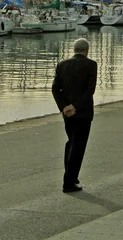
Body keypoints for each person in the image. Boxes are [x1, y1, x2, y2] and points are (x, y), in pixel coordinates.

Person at [52, 37, 97, 193]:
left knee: (71, 143)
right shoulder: (91, 65)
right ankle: (69, 182)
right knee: (78, 147)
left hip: (67, 114)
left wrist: (64, 107)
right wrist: (75, 106)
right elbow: (89, 91)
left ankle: (71, 176)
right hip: (82, 112)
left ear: (74, 50)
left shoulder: (62, 65)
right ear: (86, 50)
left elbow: (55, 89)